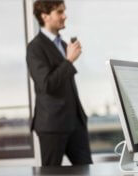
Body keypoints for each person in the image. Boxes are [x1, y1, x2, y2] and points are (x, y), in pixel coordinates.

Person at [26, 0, 92, 166]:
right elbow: (46, 84)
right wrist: (69, 60)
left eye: (64, 11)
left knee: (87, 171)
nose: (65, 16)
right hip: (52, 125)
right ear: (45, 16)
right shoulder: (35, 48)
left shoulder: (63, 45)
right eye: (59, 12)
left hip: (76, 123)